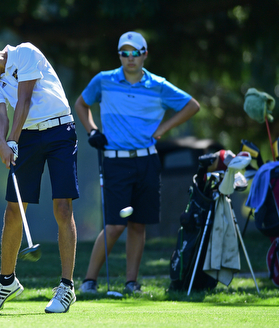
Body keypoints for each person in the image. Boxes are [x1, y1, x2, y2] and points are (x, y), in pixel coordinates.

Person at [74, 31, 200, 294]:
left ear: (144, 54)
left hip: (147, 161)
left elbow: (192, 105)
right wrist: (92, 131)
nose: (129, 58)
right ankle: (89, 281)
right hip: (115, 162)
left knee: (138, 223)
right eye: (124, 53)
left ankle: (131, 283)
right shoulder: (104, 81)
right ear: (119, 55)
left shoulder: (158, 85)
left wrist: (164, 127)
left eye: (135, 53)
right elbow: (81, 104)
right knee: (115, 225)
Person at [0, 42, 79, 314]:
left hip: (60, 131)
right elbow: (0, 113)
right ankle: (6, 282)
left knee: (62, 208)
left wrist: (13, 139)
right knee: (13, 213)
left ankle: (66, 287)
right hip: (28, 136)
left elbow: (24, 99)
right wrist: (3, 143)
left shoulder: (24, 53)